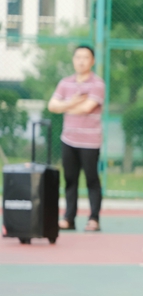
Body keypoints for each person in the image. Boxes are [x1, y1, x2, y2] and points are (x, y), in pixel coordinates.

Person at [47, 45, 106, 232]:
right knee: (70, 180)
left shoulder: (98, 84)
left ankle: (94, 219)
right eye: (78, 57)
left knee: (91, 180)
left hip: (90, 142)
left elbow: (86, 108)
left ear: (92, 61)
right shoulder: (65, 83)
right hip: (68, 140)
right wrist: (72, 102)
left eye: (85, 57)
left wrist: (63, 106)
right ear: (73, 60)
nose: (81, 61)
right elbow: (51, 106)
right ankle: (68, 218)